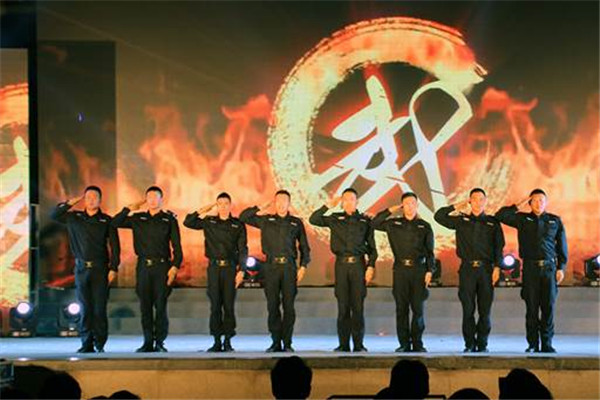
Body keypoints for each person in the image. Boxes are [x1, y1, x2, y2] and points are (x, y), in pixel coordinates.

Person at [112, 186, 183, 352]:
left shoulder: (168, 219)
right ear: (145, 199)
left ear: (161, 199)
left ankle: (159, 342)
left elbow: (177, 247)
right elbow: (115, 222)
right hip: (143, 267)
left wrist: (174, 267)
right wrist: (129, 208)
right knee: (145, 306)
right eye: (149, 197)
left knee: (160, 306)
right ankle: (147, 341)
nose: (152, 200)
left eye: (155, 197)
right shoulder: (138, 218)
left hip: (162, 267)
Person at [495, 189, 567, 353]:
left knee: (548, 307)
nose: (538, 203)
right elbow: (500, 215)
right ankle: (533, 343)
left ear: (546, 202)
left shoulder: (555, 221)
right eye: (535, 200)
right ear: (529, 203)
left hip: (549, 269)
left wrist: (561, 268)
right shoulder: (522, 219)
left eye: (542, 200)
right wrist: (517, 206)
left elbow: (562, 245)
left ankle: (547, 343)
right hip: (530, 269)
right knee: (532, 308)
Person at [50, 185, 120, 353]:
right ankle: (86, 343)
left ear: (100, 200)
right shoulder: (75, 217)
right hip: (81, 269)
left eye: (95, 197)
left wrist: (113, 268)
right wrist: (70, 202)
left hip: (100, 269)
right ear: (84, 199)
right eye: (88, 197)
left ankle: (100, 343)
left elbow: (115, 247)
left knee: (99, 308)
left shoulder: (107, 220)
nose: (91, 200)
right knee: (85, 307)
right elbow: (54, 215)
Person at [434, 188, 505, 352]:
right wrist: (456, 206)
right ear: (469, 201)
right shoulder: (461, 220)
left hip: (486, 270)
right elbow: (439, 216)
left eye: (481, 199)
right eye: (474, 199)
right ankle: (469, 344)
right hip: (467, 270)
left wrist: (497, 267)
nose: (478, 202)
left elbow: (499, 247)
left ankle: (482, 344)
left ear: (485, 201)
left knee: (485, 310)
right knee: (468, 309)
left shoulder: (492, 222)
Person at [240, 190, 311, 352]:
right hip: (271, 267)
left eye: (284, 201)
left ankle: (287, 343)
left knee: (288, 306)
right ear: (274, 202)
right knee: (272, 306)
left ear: (289, 203)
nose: (281, 204)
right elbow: (243, 217)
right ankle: (275, 342)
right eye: (278, 201)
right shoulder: (266, 220)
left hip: (289, 268)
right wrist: (260, 207)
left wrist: (303, 266)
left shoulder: (296, 223)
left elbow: (304, 247)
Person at [309, 188, 377, 352]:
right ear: (341, 202)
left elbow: (372, 248)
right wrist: (328, 205)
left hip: (359, 266)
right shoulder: (335, 218)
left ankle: (359, 345)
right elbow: (314, 219)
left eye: (351, 199)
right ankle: (343, 344)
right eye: (345, 199)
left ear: (357, 202)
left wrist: (371, 266)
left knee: (358, 307)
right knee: (343, 307)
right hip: (341, 266)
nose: (348, 202)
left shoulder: (365, 220)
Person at [184, 192, 248, 352]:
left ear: (230, 205)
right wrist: (205, 209)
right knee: (215, 306)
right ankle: (216, 340)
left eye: (226, 203)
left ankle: (228, 340)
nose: (223, 207)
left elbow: (243, 249)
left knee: (228, 305)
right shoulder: (209, 221)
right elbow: (188, 222)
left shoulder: (238, 224)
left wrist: (242, 270)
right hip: (214, 269)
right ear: (217, 206)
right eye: (220, 204)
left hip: (230, 269)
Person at [371, 192, 434, 352]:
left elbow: (430, 251)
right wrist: (391, 210)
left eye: (413, 203)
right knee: (401, 309)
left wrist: (430, 270)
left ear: (417, 205)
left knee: (418, 309)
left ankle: (417, 343)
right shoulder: (394, 224)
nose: (410, 206)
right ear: (402, 206)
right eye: (406, 203)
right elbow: (374, 222)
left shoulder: (424, 226)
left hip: (419, 270)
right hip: (400, 270)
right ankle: (404, 344)